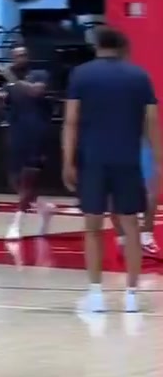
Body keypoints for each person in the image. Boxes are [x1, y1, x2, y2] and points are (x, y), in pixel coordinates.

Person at [62, 26, 160, 315]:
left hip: (93, 160)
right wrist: (158, 160)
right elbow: (152, 121)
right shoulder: (140, 76)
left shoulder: (81, 75)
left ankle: (96, 295)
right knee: (132, 227)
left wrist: (67, 160)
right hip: (127, 159)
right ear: (123, 48)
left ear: (98, 46)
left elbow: (71, 121)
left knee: (93, 228)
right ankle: (131, 296)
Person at [0, 46, 54, 241]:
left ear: (28, 56)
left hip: (37, 132)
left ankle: (17, 223)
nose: (19, 58)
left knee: (28, 178)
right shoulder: (10, 83)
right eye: (16, 56)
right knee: (14, 179)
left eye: (22, 55)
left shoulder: (39, 74)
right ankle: (43, 207)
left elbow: (35, 92)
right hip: (16, 132)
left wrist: (11, 79)